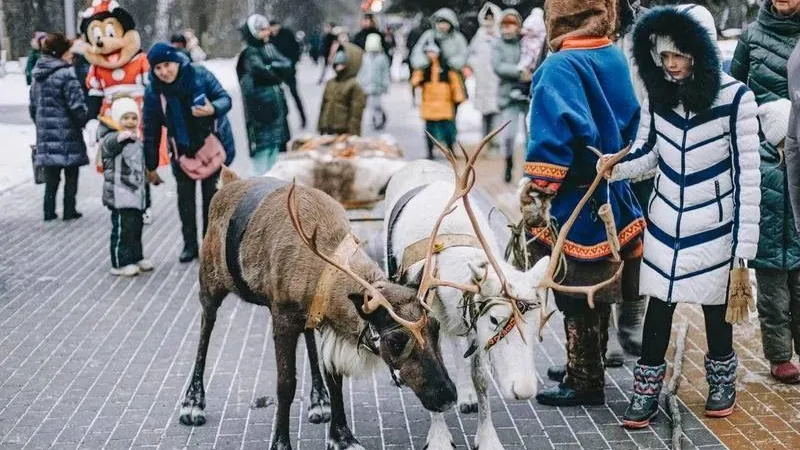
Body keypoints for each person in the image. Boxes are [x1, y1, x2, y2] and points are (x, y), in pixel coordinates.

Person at [606, 5, 760, 426]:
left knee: (716, 308)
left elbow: (749, 176)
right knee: (659, 306)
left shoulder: (736, 99)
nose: (670, 64)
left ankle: (722, 382)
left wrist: (744, 248)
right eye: (663, 56)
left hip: (716, 225)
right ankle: (645, 391)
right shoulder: (658, 96)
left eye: (679, 55)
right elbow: (648, 155)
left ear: (701, 51)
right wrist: (614, 167)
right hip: (666, 221)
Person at [519, 0, 645, 407]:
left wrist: (539, 190)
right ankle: (582, 362)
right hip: (610, 189)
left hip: (575, 195)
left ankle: (585, 379)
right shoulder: (610, 54)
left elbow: (555, 136)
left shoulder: (558, 66)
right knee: (600, 281)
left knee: (576, 289)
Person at [731, 0, 800, 384]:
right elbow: (734, 97)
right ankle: (778, 355)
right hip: (765, 164)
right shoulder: (751, 37)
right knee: (772, 266)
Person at [142, 43, 235, 263]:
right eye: (158, 68)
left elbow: (225, 98)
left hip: (211, 146)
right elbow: (150, 131)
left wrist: (213, 109)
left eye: (167, 65)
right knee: (185, 201)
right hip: (181, 152)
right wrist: (151, 165)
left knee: (211, 201)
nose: (164, 72)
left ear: (176, 61)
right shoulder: (154, 92)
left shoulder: (198, 74)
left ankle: (210, 246)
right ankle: (190, 246)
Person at [29, 33, 90, 222]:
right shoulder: (66, 73)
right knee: (71, 172)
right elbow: (76, 105)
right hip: (68, 130)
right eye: (68, 52)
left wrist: (41, 123)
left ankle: (49, 211)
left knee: (51, 175)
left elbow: (33, 104)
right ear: (61, 53)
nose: (71, 55)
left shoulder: (37, 73)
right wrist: (83, 119)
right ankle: (69, 209)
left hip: (45, 131)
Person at [100, 97, 157, 277]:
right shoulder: (112, 138)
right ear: (117, 120)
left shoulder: (136, 140)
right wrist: (120, 137)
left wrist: (151, 177)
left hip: (135, 194)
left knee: (135, 228)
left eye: (133, 118)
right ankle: (120, 262)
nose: (130, 122)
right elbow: (110, 145)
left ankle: (135, 256)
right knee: (122, 229)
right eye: (125, 118)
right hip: (120, 194)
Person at [237, 14, 292, 175]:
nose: (267, 33)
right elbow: (261, 73)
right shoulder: (249, 53)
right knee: (261, 160)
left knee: (273, 156)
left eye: (267, 29)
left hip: (275, 113)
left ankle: (271, 193)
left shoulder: (268, 48)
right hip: (261, 117)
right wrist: (274, 71)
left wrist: (273, 68)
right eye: (261, 30)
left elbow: (287, 65)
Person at [493, 9, 530, 184]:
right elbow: (498, 66)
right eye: (505, 25)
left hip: (527, 95)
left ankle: (528, 171)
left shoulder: (527, 40)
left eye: (511, 25)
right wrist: (519, 71)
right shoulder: (498, 44)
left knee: (530, 135)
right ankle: (508, 163)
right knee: (509, 135)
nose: (508, 29)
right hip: (508, 96)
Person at [411, 40, 465, 159]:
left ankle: (450, 150)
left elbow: (455, 84)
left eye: (433, 52)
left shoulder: (447, 68)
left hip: (445, 104)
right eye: (429, 52)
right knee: (430, 131)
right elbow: (415, 81)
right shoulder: (424, 69)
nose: (431, 55)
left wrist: (458, 98)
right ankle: (430, 151)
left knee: (448, 131)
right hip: (429, 104)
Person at [466, 3, 502, 155]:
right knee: (484, 114)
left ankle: (496, 144)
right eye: (486, 17)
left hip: (497, 81)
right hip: (482, 81)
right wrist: (475, 65)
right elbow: (471, 54)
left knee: (497, 113)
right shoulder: (480, 35)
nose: (488, 20)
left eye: (491, 17)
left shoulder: (500, 34)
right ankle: (484, 143)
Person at [318, 44, 366, 136]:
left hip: (343, 129)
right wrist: (320, 126)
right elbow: (323, 106)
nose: (339, 67)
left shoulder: (354, 86)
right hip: (328, 128)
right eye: (337, 64)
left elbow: (356, 114)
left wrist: (354, 134)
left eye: (342, 64)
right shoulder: (330, 83)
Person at [270, 19, 307, 128]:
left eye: (275, 27)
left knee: (295, 94)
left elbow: (296, 49)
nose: (274, 30)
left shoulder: (287, 34)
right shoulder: (270, 38)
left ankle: (303, 118)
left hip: (289, 70)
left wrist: (293, 63)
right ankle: (281, 121)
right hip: (276, 72)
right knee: (278, 97)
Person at [410, 8, 469, 72]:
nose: (442, 26)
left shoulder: (458, 38)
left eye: (445, 23)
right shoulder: (429, 35)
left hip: (451, 71)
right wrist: (424, 61)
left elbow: (464, 54)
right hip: (429, 70)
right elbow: (418, 50)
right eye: (439, 22)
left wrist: (452, 63)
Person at [357, 33, 390, 131]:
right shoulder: (365, 57)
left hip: (377, 86)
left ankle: (378, 120)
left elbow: (385, 73)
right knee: (369, 105)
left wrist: (385, 84)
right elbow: (362, 71)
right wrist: (360, 83)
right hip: (366, 85)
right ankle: (374, 120)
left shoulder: (382, 58)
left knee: (376, 104)